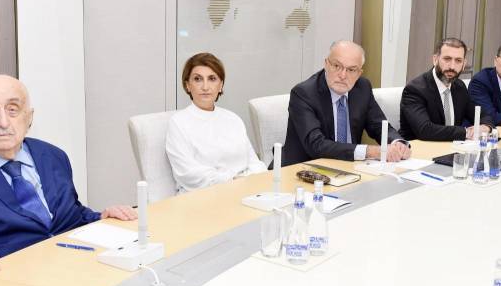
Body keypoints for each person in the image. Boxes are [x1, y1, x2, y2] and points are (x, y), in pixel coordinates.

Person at [0, 75, 136, 286]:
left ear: (29, 118)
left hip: (75, 276)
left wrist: (101, 217)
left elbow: (73, 215)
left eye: (13, 109)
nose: (3, 122)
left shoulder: (53, 156)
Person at [281, 40, 410, 167]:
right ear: (326, 64)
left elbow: (379, 125)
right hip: (305, 169)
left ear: (359, 73)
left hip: (350, 168)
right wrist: (370, 151)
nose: (343, 75)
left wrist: (398, 143)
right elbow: (316, 145)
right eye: (337, 66)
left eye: (351, 70)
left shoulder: (362, 87)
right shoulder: (304, 94)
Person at [166, 52, 266, 192]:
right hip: (201, 197)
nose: (205, 87)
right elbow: (188, 174)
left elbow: (256, 165)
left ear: (221, 86)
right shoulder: (179, 123)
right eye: (198, 79)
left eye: (212, 79)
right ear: (187, 85)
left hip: (242, 191)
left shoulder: (233, 119)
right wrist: (233, 180)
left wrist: (241, 181)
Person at [400, 37, 492, 141]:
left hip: (452, 147)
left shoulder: (459, 86)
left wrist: (486, 127)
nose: (452, 66)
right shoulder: (415, 89)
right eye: (447, 59)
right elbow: (425, 130)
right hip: (419, 149)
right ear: (435, 60)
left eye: (458, 61)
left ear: (464, 64)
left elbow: (482, 115)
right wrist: (466, 132)